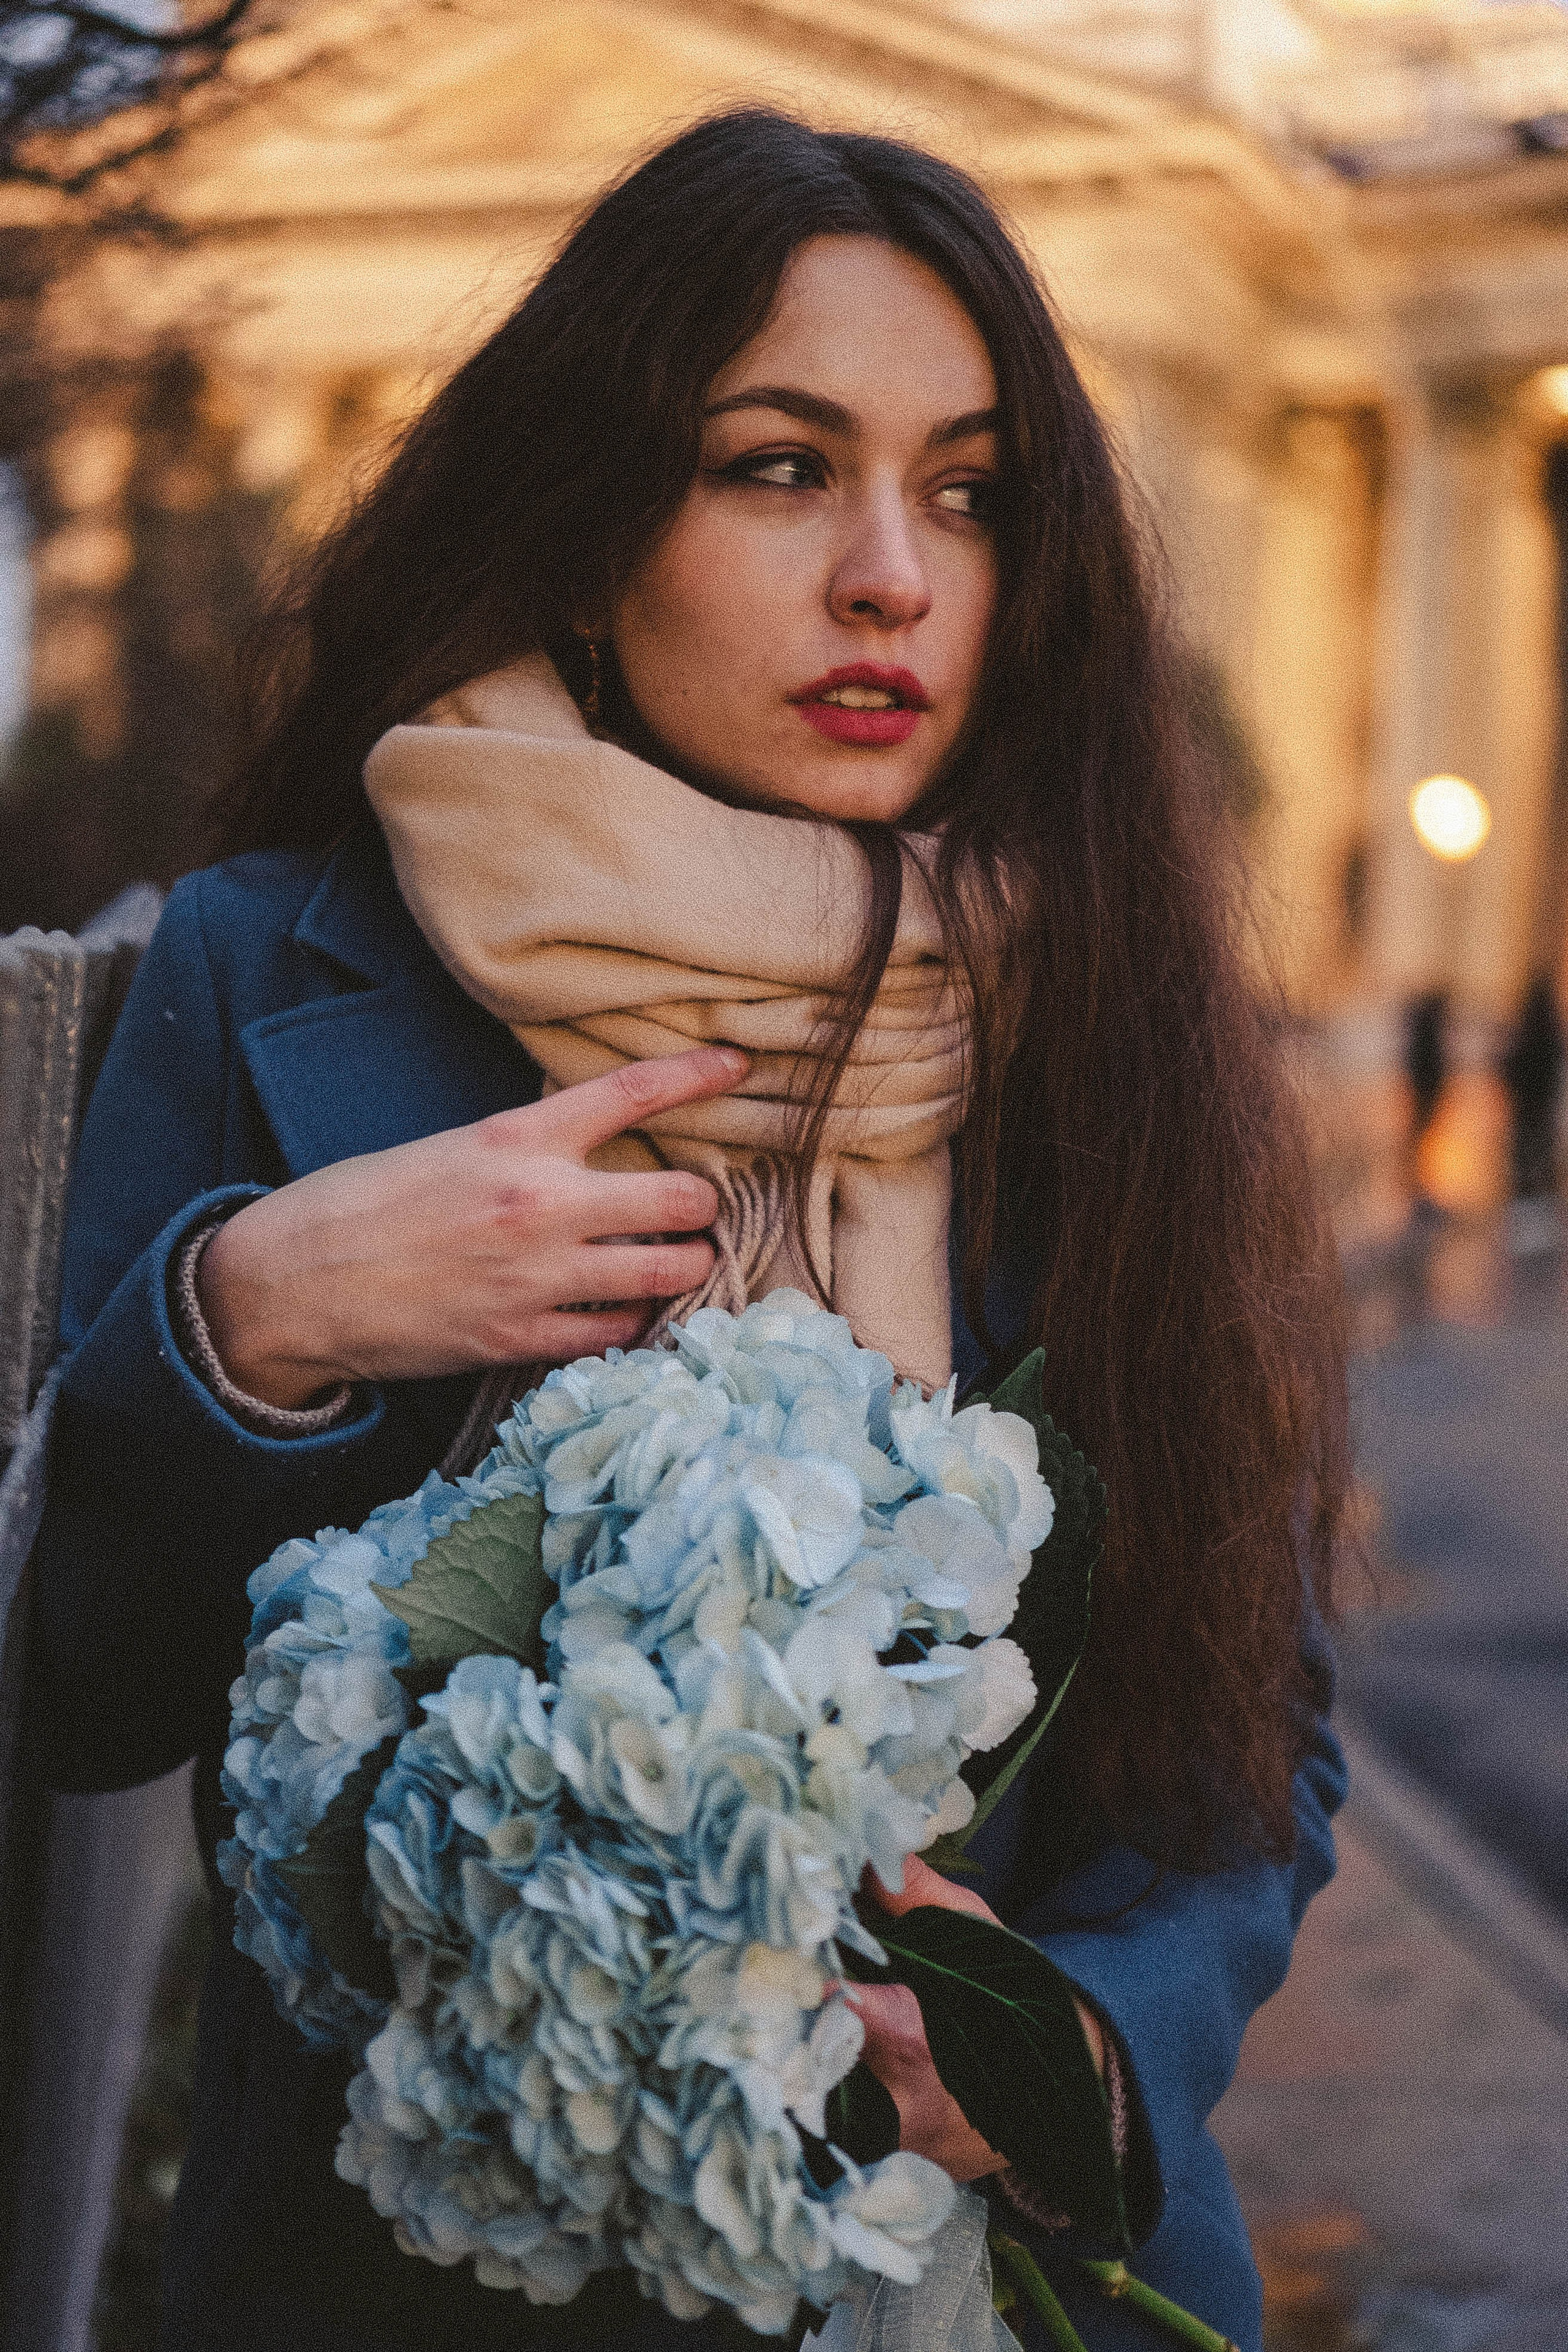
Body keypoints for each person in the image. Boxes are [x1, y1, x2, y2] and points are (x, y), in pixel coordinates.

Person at [29, 110, 1348, 2352]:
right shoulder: (274, 968)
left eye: (968, 491)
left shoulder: (1115, 1027)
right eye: (776, 465)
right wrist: (256, 1319)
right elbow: (86, 1696)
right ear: (580, 529)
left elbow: (1249, 1734)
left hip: (978, 2283)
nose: (891, 579)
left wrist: (1085, 2050)